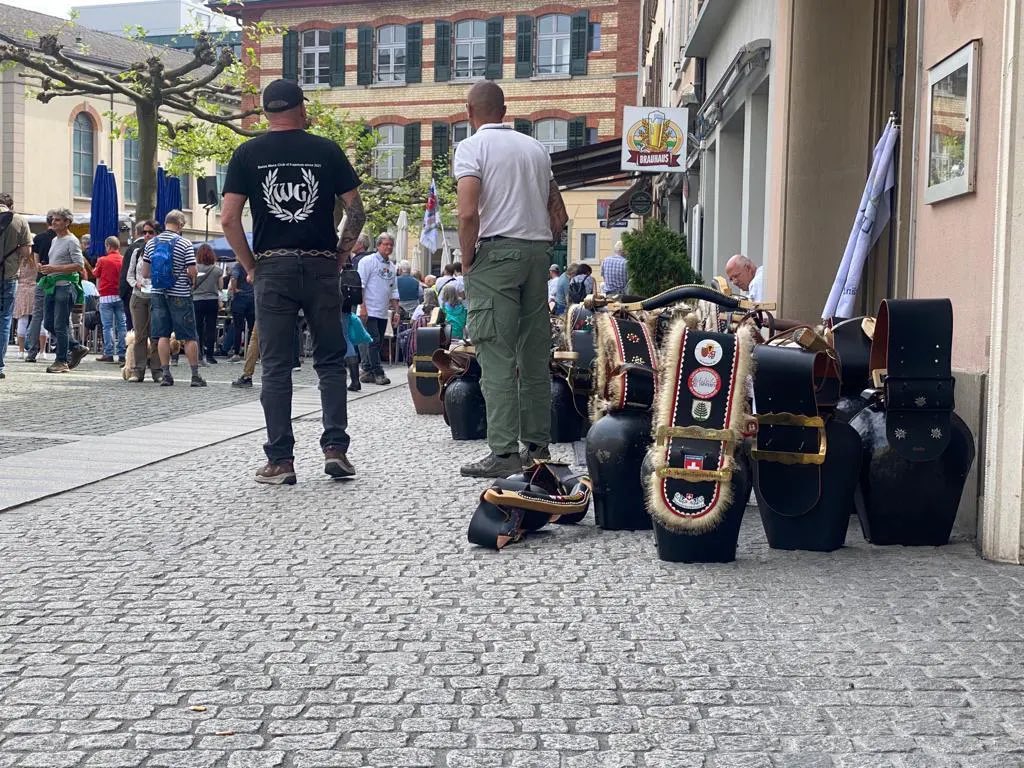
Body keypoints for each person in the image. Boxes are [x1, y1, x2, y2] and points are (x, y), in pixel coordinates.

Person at [220, 77, 366, 485]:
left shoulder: (247, 153)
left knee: (277, 365)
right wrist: (339, 255)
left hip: (273, 267)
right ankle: (335, 449)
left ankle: (281, 461)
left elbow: (229, 218)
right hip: (320, 265)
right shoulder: (326, 150)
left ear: (266, 112)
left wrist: (250, 265)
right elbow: (356, 213)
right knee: (331, 361)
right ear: (301, 109)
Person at [454, 81, 569, 478]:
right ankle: (537, 448)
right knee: (534, 355)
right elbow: (560, 213)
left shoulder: (472, 147)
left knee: (496, 354)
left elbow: (468, 212)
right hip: (537, 255)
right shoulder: (535, 148)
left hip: (495, 255)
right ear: (505, 110)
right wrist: (539, 245)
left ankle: (504, 453)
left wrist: (468, 260)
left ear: (470, 110)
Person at [140, 209, 206, 388]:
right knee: (189, 336)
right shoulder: (185, 243)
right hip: (180, 294)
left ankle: (166, 374)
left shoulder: (151, 243)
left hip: (158, 292)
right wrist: (186, 275)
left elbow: (145, 272)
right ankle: (195, 376)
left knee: (162, 335)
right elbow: (192, 271)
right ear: (181, 225)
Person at [37, 208, 89, 374]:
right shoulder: (55, 240)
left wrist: (54, 268)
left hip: (66, 286)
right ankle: (76, 347)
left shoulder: (71, 241)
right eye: (53, 219)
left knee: (60, 324)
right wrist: (45, 267)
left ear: (67, 222)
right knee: (49, 323)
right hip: (53, 285)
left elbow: (79, 265)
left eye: (58, 220)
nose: (53, 222)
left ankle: (61, 361)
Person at [357, 232, 400, 386]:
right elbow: (360, 285)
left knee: (378, 341)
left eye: (391, 245)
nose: (388, 247)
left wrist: (396, 311)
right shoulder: (367, 262)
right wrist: (362, 307)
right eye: (385, 244)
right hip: (369, 309)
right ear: (378, 245)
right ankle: (378, 372)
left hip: (382, 311)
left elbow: (394, 290)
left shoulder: (392, 266)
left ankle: (367, 370)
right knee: (374, 341)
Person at [124, 220, 161, 383]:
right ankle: (138, 370)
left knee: (156, 335)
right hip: (138, 296)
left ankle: (157, 370)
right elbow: (129, 275)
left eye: (150, 232)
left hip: (156, 295)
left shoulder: (162, 251)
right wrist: (136, 283)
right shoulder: (137, 252)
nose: (147, 235)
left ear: (157, 234)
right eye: (144, 232)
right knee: (139, 335)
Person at [0, 193, 32, 379]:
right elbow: (27, 251)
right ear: (10, 205)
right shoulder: (19, 220)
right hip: (9, 275)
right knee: (4, 320)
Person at [23, 210, 57, 363]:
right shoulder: (61, 238)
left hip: (42, 279)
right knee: (62, 315)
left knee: (37, 315)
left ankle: (31, 352)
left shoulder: (39, 238)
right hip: (59, 279)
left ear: (46, 222)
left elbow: (36, 263)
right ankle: (66, 349)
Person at [92, 235, 127, 363]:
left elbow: (95, 273)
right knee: (122, 325)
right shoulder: (123, 260)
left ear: (108, 246)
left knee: (107, 326)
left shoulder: (102, 260)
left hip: (106, 296)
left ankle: (109, 353)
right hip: (120, 296)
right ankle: (123, 353)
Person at [192, 244, 222, 365]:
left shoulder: (195, 268)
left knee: (198, 327)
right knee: (211, 328)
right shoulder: (217, 269)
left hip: (197, 300)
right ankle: (210, 355)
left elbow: (192, 285)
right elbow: (220, 286)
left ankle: (199, 354)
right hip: (212, 300)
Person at [118, 222, 151, 332]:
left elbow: (126, 272)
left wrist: (123, 293)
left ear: (136, 232)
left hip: (133, 293)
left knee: (134, 328)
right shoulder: (137, 250)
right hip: (148, 293)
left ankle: (132, 348)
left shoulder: (132, 248)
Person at [13, 240, 41, 361]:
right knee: (40, 319)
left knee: (22, 319)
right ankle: (42, 351)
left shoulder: (20, 260)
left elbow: (15, 275)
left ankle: (20, 350)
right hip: (36, 288)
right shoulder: (37, 259)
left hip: (22, 290)